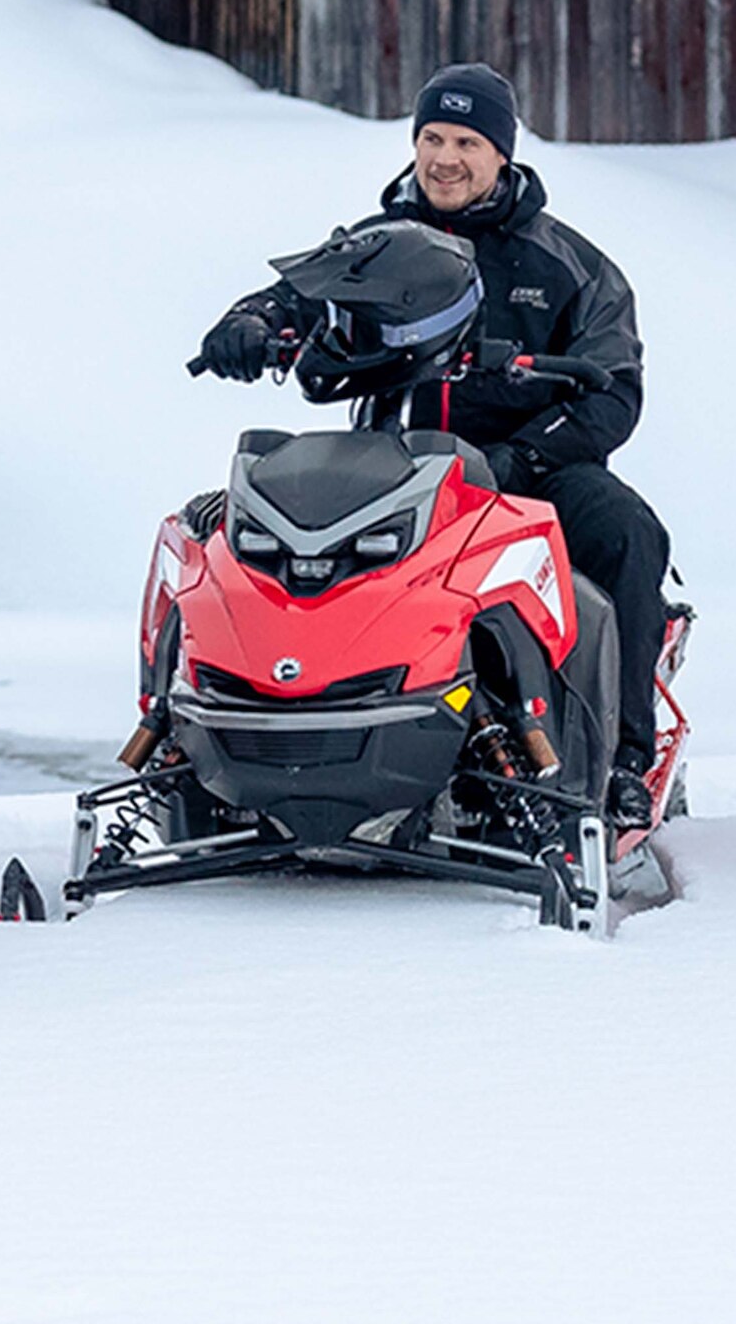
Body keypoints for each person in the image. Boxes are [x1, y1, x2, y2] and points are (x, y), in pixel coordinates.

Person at [190, 62, 674, 825]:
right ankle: (223, 742)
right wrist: (250, 325)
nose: (445, 157)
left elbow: (613, 391)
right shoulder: (379, 244)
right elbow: (298, 296)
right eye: (432, 137)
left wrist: (522, 457)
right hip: (392, 470)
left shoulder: (570, 265)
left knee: (627, 531)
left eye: (467, 142)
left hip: (527, 470)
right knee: (217, 531)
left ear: (503, 154)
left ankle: (625, 760)